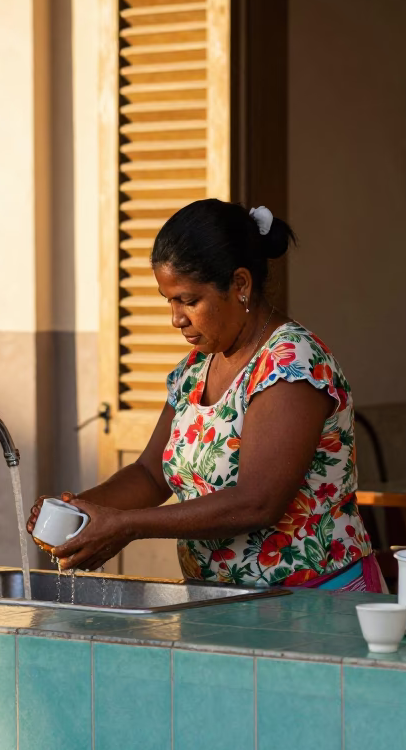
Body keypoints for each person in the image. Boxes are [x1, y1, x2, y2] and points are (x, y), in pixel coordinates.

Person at [28, 198, 383, 591]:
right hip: (224, 604)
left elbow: (257, 502)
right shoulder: (197, 367)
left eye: (189, 300)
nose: (176, 319)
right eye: (169, 301)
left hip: (314, 602)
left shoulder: (291, 363)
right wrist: (82, 511)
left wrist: (127, 526)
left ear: (240, 285)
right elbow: (150, 473)